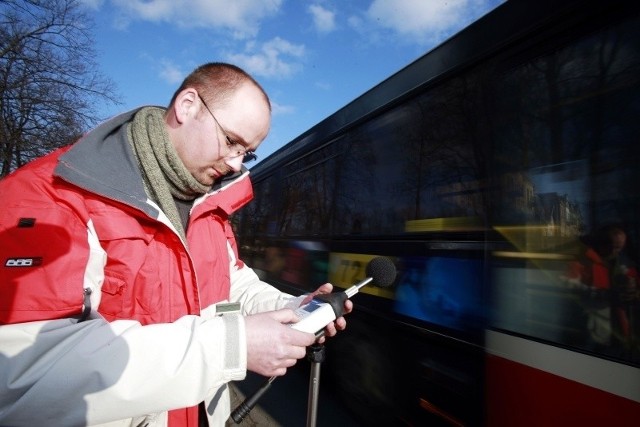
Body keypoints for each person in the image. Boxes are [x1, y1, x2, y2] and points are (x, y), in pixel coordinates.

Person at [0, 62, 352, 427]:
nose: (235, 164)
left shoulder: (210, 206)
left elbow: (231, 283)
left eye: (246, 153)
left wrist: (293, 309)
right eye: (231, 141)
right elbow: (24, 376)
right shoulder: (49, 197)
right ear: (187, 106)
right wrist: (231, 347)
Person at [566, 225, 638, 354]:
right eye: (614, 247)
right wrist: (600, 293)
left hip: (621, 330)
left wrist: (634, 292)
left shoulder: (625, 264)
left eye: (620, 248)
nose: (616, 251)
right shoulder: (583, 261)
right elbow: (569, 287)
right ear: (602, 244)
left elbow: (635, 288)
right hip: (593, 329)